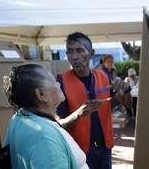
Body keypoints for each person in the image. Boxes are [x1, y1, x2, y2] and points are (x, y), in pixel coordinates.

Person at [56, 32, 132, 169]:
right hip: (79, 151)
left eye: (79, 51)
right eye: (70, 52)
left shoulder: (103, 76)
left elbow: (127, 104)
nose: (74, 57)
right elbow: (59, 125)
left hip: (105, 148)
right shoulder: (62, 82)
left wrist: (126, 89)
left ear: (91, 54)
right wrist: (79, 113)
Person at [2, 64, 89, 168]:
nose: (58, 84)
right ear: (41, 94)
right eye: (53, 80)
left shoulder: (19, 117)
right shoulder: (44, 139)